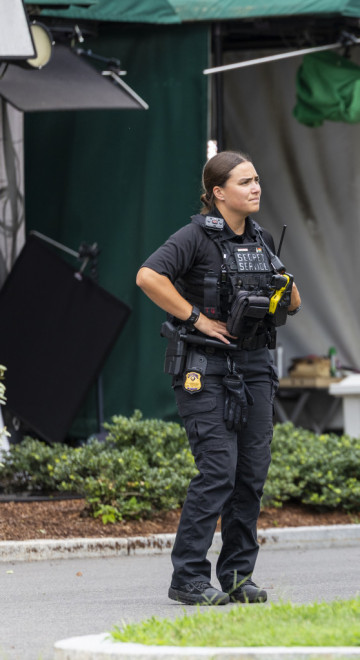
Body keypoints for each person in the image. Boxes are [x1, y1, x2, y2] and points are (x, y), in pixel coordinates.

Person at [136, 151, 301, 605]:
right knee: (218, 472)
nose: (256, 187)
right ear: (217, 193)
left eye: (257, 179)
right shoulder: (194, 236)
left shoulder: (262, 238)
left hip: (255, 368)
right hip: (204, 369)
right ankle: (188, 577)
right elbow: (148, 276)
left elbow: (293, 301)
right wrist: (196, 317)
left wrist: (281, 289)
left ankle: (236, 577)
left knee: (250, 475)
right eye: (245, 181)